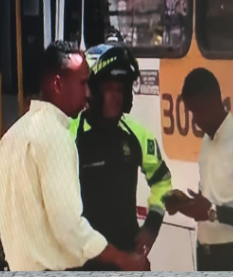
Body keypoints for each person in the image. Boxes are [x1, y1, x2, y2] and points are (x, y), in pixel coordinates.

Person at [0, 40, 150, 272]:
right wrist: (122, 259)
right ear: (58, 84)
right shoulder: (57, 138)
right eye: (83, 83)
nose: (87, 93)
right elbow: (70, 229)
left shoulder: (9, 138)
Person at [69, 42, 172, 269]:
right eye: (109, 89)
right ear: (94, 91)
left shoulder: (137, 135)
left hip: (127, 257)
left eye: (120, 90)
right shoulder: (70, 135)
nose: (116, 96)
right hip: (82, 259)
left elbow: (163, 182)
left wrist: (152, 226)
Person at [164, 68, 233, 271]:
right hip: (206, 255)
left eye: (198, 111)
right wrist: (186, 205)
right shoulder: (207, 142)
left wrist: (212, 212)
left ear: (214, 101)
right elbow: (210, 202)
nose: (194, 121)